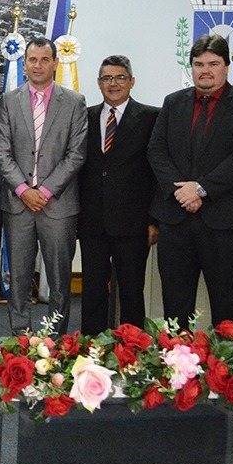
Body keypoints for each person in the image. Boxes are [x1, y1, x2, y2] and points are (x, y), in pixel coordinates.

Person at [147, 34, 233, 325]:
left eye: (213, 63)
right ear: (191, 67)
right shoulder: (173, 103)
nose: (205, 70)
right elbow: (156, 149)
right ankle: (178, 369)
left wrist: (200, 189)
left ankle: (227, 371)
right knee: (175, 310)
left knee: (228, 312)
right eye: (198, 64)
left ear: (226, 67)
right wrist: (181, 192)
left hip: (225, 225)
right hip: (176, 223)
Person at [0, 37, 87, 335]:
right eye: (32, 60)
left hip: (58, 206)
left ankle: (56, 341)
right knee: (18, 278)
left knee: (60, 280)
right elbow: (1, 153)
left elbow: (76, 154)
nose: (38, 65)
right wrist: (24, 190)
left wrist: (44, 192)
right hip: (18, 205)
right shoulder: (9, 101)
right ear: (25, 64)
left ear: (55, 63)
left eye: (45, 59)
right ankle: (20, 339)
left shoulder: (74, 102)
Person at [77, 55, 160, 335]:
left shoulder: (152, 118)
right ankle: (91, 353)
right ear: (99, 83)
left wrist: (153, 220)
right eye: (107, 78)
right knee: (92, 294)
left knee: (131, 294)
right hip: (92, 224)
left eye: (120, 77)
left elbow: (156, 174)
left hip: (134, 225)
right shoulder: (84, 116)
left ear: (132, 82)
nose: (114, 84)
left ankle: (133, 356)